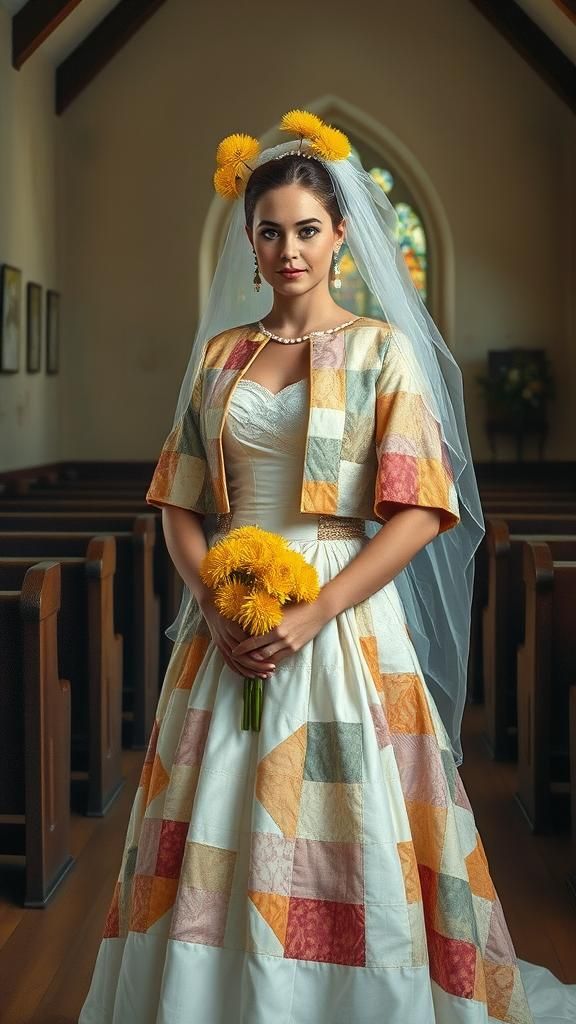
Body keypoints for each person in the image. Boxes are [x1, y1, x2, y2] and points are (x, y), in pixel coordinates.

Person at [78, 110, 576, 1023]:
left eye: (307, 229)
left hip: (343, 616)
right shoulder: (224, 358)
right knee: (216, 810)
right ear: (250, 240)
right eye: (271, 232)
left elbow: (422, 508)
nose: (289, 249)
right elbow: (180, 502)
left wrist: (311, 615)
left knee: (346, 821)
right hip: (227, 615)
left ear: (341, 233)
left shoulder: (384, 353)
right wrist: (215, 604)